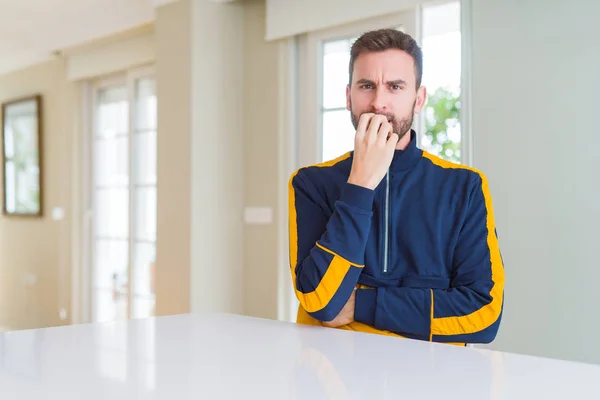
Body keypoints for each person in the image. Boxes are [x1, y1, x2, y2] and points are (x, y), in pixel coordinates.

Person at [288, 28, 504, 345]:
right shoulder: (310, 182)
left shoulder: (465, 186)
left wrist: (362, 305)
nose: (378, 103)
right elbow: (321, 301)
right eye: (367, 86)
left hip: (433, 380)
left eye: (395, 87)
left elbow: (483, 314)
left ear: (419, 99)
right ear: (348, 96)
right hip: (336, 377)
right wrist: (360, 184)